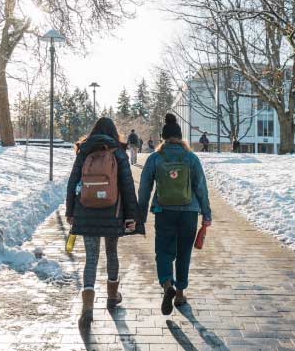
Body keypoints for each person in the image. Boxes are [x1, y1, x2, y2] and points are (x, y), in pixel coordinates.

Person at [66, 117, 144, 330]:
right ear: (113, 132)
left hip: (86, 210)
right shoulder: (118, 152)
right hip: (113, 213)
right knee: (112, 253)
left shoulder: (84, 151)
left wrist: (70, 211)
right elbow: (128, 187)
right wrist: (131, 217)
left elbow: (72, 182)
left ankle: (88, 307)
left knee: (91, 258)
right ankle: (112, 297)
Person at [138, 113, 211, 316]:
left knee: (163, 250)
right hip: (189, 212)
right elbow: (201, 188)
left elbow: (144, 188)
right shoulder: (191, 158)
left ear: (162, 138)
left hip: (164, 211)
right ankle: (179, 294)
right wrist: (206, 214)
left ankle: (166, 285)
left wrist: (140, 217)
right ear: (180, 138)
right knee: (183, 252)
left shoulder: (155, 158)